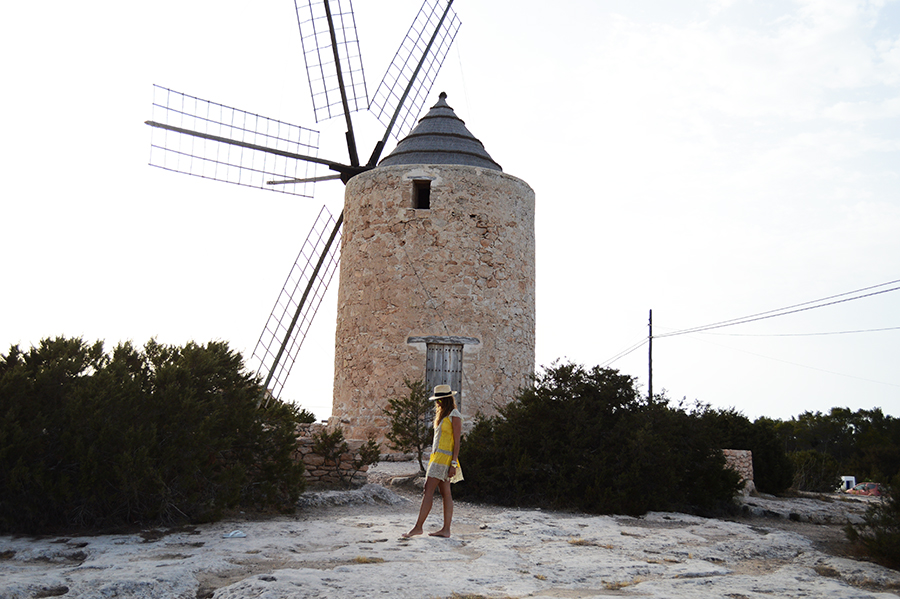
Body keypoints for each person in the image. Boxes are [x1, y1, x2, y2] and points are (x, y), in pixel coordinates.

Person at [402, 384, 463, 538]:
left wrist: (453, 464)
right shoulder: (443, 415)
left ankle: (418, 527)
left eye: (439, 400)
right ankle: (445, 530)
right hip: (437, 458)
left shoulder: (454, 415)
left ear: (445, 400)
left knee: (428, 490)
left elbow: (457, 441)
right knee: (445, 493)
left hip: (444, 459)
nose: (437, 403)